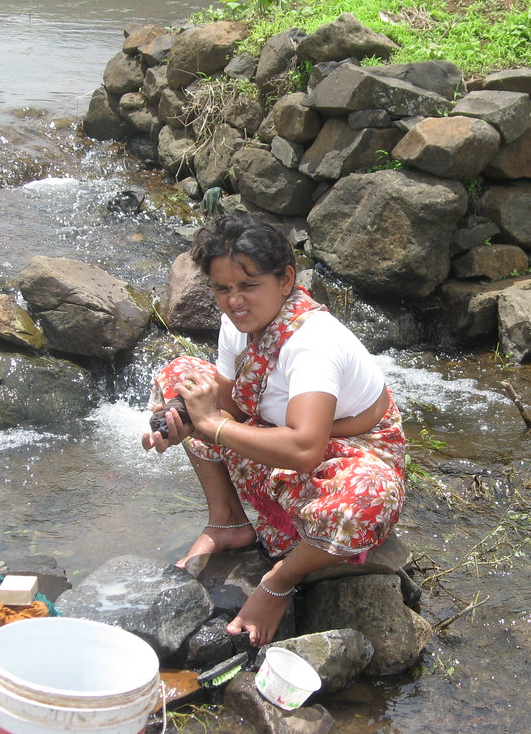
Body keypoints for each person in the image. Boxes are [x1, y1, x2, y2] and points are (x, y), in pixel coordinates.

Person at [142, 213, 407, 647]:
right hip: (279, 432)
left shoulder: (313, 342)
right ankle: (227, 521)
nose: (234, 302)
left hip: (352, 450)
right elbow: (229, 402)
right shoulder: (238, 324)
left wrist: (209, 424)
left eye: (248, 286)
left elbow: (304, 448)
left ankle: (282, 578)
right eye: (222, 289)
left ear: (286, 280)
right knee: (182, 378)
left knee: (367, 498)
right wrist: (181, 418)